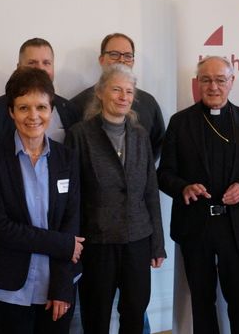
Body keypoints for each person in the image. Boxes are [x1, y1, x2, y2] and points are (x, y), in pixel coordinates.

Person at [157, 56, 239, 333]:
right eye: (206, 80)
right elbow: (164, 173)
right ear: (197, 83)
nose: (213, 86)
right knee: (202, 300)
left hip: (235, 226)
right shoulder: (180, 123)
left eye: (220, 80)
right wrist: (183, 188)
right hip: (195, 225)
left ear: (232, 82)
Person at [0, 66, 83, 334]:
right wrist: (62, 243)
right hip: (10, 288)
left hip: (56, 285)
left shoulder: (67, 158)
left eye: (41, 107)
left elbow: (71, 221)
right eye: (24, 108)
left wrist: (62, 285)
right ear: (11, 112)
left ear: (51, 110)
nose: (33, 116)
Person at [65, 64, 166, 334]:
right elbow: (72, 197)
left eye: (129, 91)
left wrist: (158, 244)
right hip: (97, 243)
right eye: (117, 89)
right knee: (95, 316)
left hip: (138, 240)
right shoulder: (79, 135)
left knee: (134, 313)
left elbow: (150, 191)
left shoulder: (140, 135)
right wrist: (71, 244)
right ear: (100, 92)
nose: (123, 96)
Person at [68, 32, 165, 160]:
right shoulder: (77, 104)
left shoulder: (149, 103)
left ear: (133, 62)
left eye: (128, 56)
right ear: (101, 60)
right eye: (114, 54)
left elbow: (158, 144)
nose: (121, 60)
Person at [0, 38, 78, 152]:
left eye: (46, 63)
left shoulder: (70, 110)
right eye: (32, 63)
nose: (40, 69)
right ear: (19, 67)